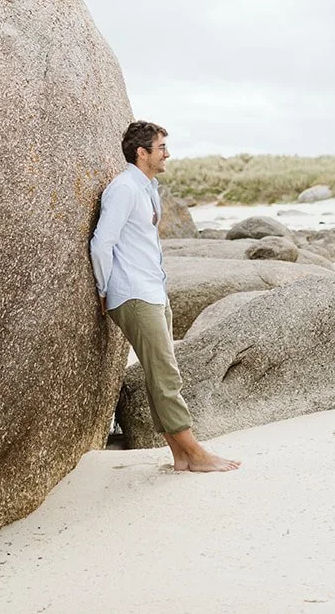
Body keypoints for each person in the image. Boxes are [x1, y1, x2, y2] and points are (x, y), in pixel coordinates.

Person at [91, 121, 240, 472]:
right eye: (161, 148)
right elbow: (101, 244)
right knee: (166, 375)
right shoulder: (124, 189)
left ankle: (181, 457)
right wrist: (103, 290)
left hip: (153, 289)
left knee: (160, 374)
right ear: (141, 153)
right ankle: (196, 452)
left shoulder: (148, 188)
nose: (167, 153)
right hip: (134, 294)